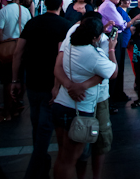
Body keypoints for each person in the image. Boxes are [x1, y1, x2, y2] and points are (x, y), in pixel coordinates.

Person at [11, 0, 70, 179]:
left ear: (45, 3)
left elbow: (18, 53)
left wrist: (16, 80)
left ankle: (42, 166)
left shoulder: (32, 23)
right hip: (50, 85)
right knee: (44, 131)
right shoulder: (65, 26)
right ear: (61, 4)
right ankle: (33, 173)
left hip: (32, 82)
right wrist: (58, 85)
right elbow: (62, 60)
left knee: (37, 126)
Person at [52, 16, 117, 179]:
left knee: (62, 157)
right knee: (70, 159)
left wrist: (70, 85)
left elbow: (57, 67)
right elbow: (113, 72)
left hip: (61, 104)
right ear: (94, 37)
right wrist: (112, 49)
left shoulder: (71, 45)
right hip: (79, 110)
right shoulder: (94, 55)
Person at [0, 0, 32, 123]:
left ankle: (7, 112)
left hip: (7, 51)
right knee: (21, 79)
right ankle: (17, 106)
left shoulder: (2, 12)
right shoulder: (25, 11)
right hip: (23, 49)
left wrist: (6, 42)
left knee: (7, 81)